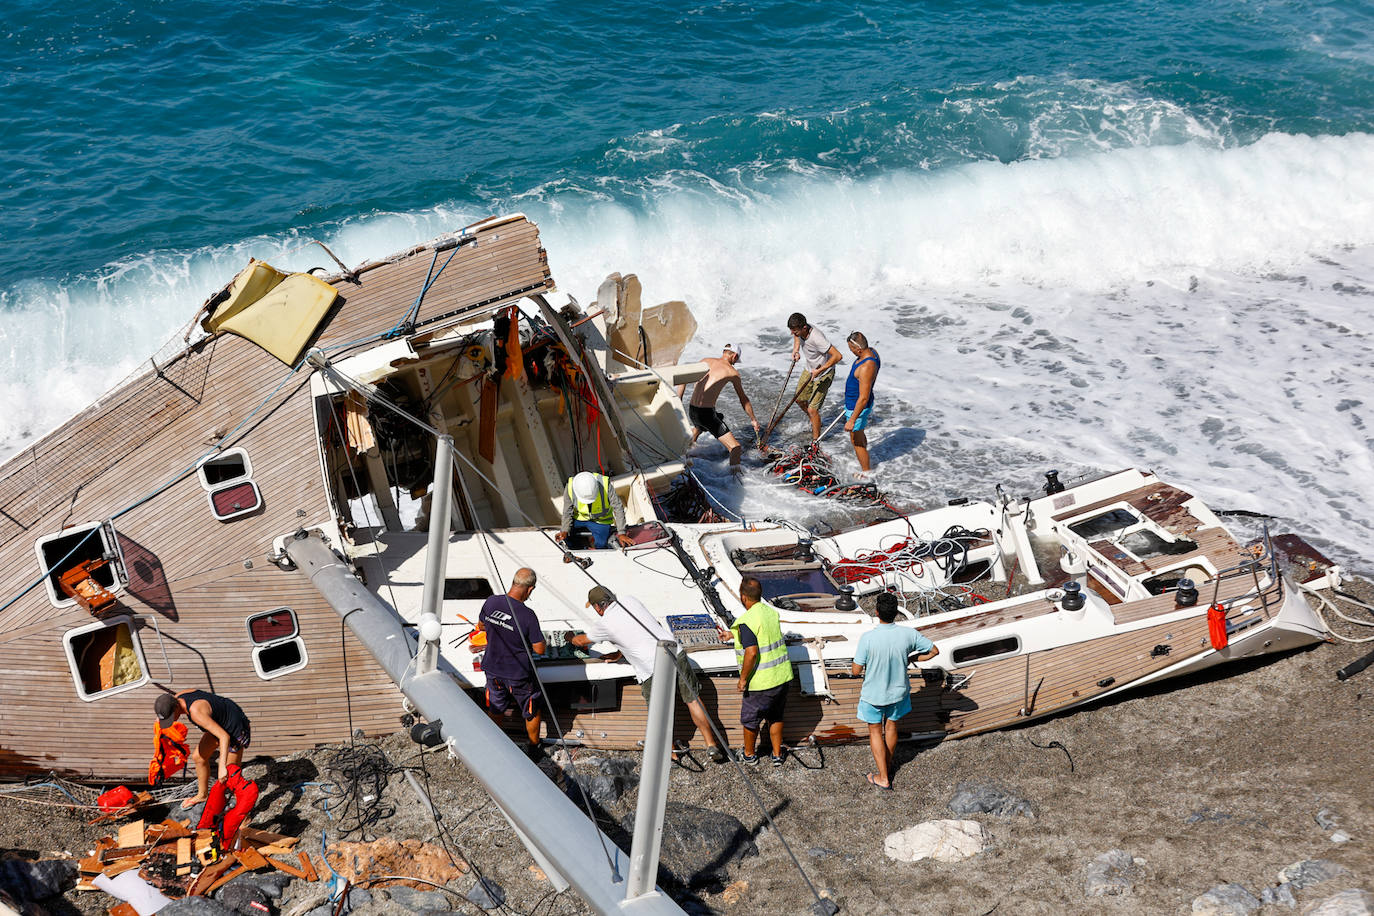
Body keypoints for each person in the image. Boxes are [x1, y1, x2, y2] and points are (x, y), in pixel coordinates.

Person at [568, 586, 729, 764]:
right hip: (675, 652)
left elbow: (580, 640)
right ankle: (711, 743)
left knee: (659, 713)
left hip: (651, 667)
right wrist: (619, 653)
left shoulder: (604, 624)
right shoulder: (630, 600)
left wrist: (568, 637)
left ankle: (670, 755)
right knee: (693, 700)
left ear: (598, 607)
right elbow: (637, 631)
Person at [850, 593, 939, 790]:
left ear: (876, 613)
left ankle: (883, 777)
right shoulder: (908, 634)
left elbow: (856, 670)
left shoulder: (868, 638)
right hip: (898, 693)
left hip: (874, 694)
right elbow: (934, 651)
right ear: (896, 613)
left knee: (875, 731)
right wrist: (911, 659)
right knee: (891, 727)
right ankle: (886, 767)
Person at [477, 568, 548, 751]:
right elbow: (539, 649)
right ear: (530, 589)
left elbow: (481, 625)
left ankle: (494, 744)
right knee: (532, 710)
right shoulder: (528, 615)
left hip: (492, 669)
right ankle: (534, 746)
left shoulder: (491, 601)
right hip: (518, 675)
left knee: (495, 707)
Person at [732, 575, 794, 766]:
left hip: (761, 682)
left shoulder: (746, 620)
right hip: (782, 677)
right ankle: (777, 754)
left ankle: (749, 755)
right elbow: (764, 634)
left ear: (743, 597)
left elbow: (751, 653)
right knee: (776, 716)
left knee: (750, 720)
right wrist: (732, 633)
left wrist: (743, 679)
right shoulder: (770, 612)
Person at [154, 689, 252, 810]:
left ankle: (245, 816)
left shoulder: (196, 712)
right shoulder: (177, 698)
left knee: (232, 775)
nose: (171, 721)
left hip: (234, 727)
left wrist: (222, 768)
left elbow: (224, 736)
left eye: (170, 718)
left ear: (176, 709)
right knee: (198, 757)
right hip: (218, 721)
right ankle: (202, 795)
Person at [676, 343, 760, 472]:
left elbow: (683, 377)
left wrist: (678, 400)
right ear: (735, 356)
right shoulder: (732, 372)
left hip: (692, 410)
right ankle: (734, 479)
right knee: (735, 447)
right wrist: (753, 419)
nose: (735, 363)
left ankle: (685, 456)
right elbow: (743, 398)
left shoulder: (705, 361)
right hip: (706, 414)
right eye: (736, 360)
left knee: (700, 426)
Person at [787, 313, 844, 441]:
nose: (793, 334)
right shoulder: (799, 332)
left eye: (795, 331)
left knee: (813, 410)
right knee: (799, 400)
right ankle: (815, 421)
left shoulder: (817, 338)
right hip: (809, 369)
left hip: (824, 373)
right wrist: (796, 350)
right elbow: (797, 338)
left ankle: (815, 442)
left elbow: (838, 356)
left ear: (804, 328)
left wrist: (821, 370)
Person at [556, 471, 632, 549]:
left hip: (601, 521)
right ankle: (577, 548)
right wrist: (564, 530)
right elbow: (567, 512)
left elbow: (618, 507)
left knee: (601, 544)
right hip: (579, 519)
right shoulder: (570, 488)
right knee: (568, 537)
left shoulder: (605, 483)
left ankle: (597, 549)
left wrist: (621, 532)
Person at [842, 331, 881, 474]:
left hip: (857, 406)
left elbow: (863, 398)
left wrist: (852, 420)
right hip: (854, 403)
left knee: (856, 442)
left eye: (851, 349)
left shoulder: (866, 366)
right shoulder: (873, 352)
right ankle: (866, 459)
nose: (851, 352)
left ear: (858, 349)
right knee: (859, 436)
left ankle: (867, 473)